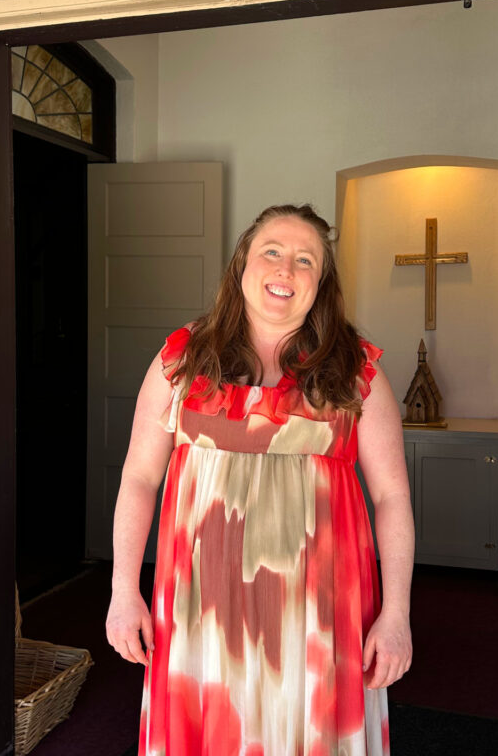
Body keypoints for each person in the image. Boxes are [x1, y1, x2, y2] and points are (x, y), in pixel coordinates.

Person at [106, 203, 414, 755]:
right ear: (242, 265)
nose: (285, 270)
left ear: (321, 284)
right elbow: (139, 477)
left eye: (305, 261)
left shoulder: (357, 371)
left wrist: (396, 614)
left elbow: (392, 496)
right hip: (199, 610)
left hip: (320, 617)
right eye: (272, 251)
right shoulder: (181, 360)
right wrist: (122, 591)